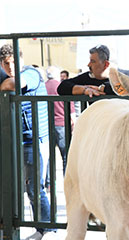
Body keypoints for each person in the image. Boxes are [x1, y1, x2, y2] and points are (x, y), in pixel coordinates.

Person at [0, 44, 56, 240]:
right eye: (6, 63)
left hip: (35, 139)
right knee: (16, 185)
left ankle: (46, 228)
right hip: (16, 140)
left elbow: (13, 84)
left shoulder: (31, 73)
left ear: (21, 59)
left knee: (34, 187)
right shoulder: (6, 74)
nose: (10, 66)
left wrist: (3, 84)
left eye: (13, 62)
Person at [57, 44, 129, 99]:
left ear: (106, 64)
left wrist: (102, 88)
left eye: (93, 61)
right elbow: (62, 87)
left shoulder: (126, 75)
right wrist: (85, 90)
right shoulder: (88, 77)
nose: (88, 65)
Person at [45, 66, 76, 175]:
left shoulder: (43, 87)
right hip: (62, 125)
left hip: (46, 125)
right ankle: (66, 179)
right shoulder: (62, 87)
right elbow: (72, 111)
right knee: (66, 156)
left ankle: (49, 183)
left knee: (48, 156)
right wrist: (73, 125)